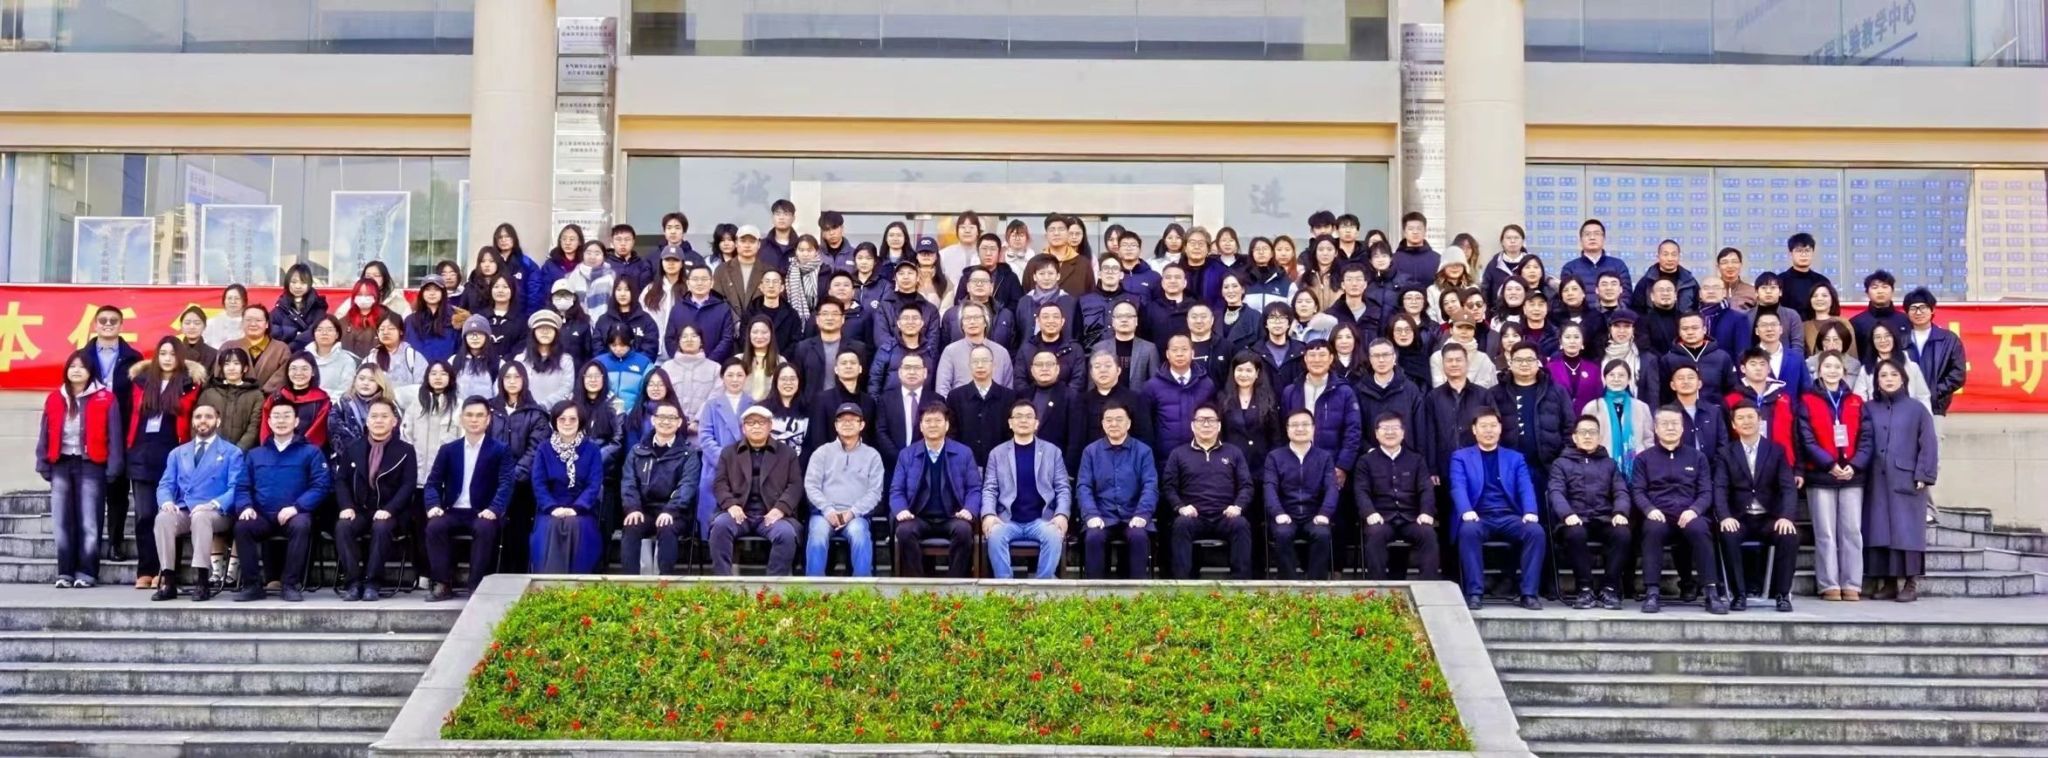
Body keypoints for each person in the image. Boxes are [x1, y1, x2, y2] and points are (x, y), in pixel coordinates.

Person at [1632, 406, 1729, 615]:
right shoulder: (1643, 458)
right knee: (1652, 529)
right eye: (1665, 423)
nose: (1670, 428)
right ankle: (1652, 592)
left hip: (1689, 512)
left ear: (1683, 427)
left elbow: (1706, 491)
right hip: (1659, 513)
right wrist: (1649, 509)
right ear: (1656, 428)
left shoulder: (1697, 457)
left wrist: (1694, 510)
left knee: (1700, 529)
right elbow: (1638, 491)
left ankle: (1711, 592)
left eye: (1675, 423)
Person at [125, 337, 204, 589]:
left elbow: (190, 415)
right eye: (163, 353)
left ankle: (166, 570)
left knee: (170, 514)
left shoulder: (190, 384)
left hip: (173, 453)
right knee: (144, 515)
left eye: (172, 354)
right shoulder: (141, 382)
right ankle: (145, 569)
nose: (167, 358)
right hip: (141, 454)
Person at [37, 354, 122, 588]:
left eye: (82, 367)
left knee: (89, 521)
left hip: (91, 464)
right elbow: (45, 432)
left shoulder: (105, 398)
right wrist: (43, 462)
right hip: (61, 463)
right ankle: (65, 572)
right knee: (62, 521)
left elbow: (115, 434)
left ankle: (87, 572)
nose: (76, 370)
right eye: (72, 366)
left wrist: (114, 466)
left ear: (91, 371)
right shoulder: (55, 398)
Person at [231, 402, 329, 602]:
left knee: (301, 525)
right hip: (262, 515)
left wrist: (297, 507)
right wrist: (246, 506)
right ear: (269, 422)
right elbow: (242, 487)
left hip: (294, 514)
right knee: (242, 527)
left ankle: (290, 584)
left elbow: (321, 486)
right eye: (276, 416)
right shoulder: (255, 454)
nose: (281, 421)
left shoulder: (311, 452)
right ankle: (252, 585)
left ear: (296, 421)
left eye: (286, 416)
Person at [1449, 408, 1545, 611]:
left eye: (1493, 425)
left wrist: (1530, 511)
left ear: (1500, 429)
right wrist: (1466, 510)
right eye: (1483, 426)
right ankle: (1475, 592)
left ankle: (1529, 594)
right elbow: (1458, 486)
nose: (1489, 430)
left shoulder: (1515, 458)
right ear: (1474, 430)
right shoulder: (1461, 457)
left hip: (1509, 516)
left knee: (1535, 532)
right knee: (1468, 531)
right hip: (1479, 516)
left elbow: (1525, 486)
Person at [1862, 361, 1939, 602]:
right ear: (1876, 381)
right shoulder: (1868, 408)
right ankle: (1888, 584)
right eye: (1883, 375)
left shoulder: (1917, 409)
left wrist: (1924, 474)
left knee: (1907, 532)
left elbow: (1928, 443)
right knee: (1880, 531)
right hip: (1875, 479)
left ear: (1903, 378)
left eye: (1894, 374)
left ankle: (1911, 583)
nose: (1888, 379)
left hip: (1907, 479)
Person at [1714, 400, 1800, 613]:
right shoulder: (1725, 453)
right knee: (1727, 534)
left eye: (1750, 417)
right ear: (1733, 424)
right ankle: (1738, 595)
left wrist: (1786, 516)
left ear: (1760, 420)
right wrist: (1724, 516)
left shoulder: (1776, 450)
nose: (1746, 422)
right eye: (1740, 418)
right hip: (1739, 517)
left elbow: (1788, 487)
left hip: (1768, 517)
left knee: (1789, 535)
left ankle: (1781, 595)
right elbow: (1720, 488)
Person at [1799, 351, 1873, 601]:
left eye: (1836, 367)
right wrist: (1829, 464)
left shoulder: (1856, 401)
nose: (1832, 371)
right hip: (1821, 475)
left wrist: (1855, 465)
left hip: (1852, 476)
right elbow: (1806, 438)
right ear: (1819, 371)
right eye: (1827, 366)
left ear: (1844, 371)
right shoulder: (1807, 400)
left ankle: (1852, 583)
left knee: (1852, 531)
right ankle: (1828, 583)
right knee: (1826, 532)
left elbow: (1866, 438)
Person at [422, 398, 512, 600]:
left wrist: (494, 509)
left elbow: (506, 483)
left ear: (488, 420)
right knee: (435, 526)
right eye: (469, 415)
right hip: (453, 510)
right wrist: (433, 505)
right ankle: (442, 583)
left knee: (484, 528)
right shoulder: (449, 450)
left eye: (480, 415)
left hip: (482, 511)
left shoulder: (500, 449)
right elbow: (433, 482)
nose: (474, 420)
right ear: (461, 419)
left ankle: (476, 585)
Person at [149, 403, 240, 601]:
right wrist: (166, 501)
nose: (203, 421)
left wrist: (213, 504)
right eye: (198, 417)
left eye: (208, 416)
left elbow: (236, 488)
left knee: (201, 517)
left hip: (217, 512)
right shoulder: (178, 453)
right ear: (192, 422)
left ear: (218, 421)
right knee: (163, 518)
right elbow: (165, 484)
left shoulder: (232, 452)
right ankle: (169, 581)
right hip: (185, 509)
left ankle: (202, 580)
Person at [331, 398, 416, 600]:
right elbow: (341, 480)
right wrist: (346, 506)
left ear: (394, 422)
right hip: (360, 509)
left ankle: (372, 583)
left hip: (391, 512)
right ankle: (353, 582)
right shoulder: (353, 448)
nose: (379, 420)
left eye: (384, 416)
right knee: (343, 527)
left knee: (381, 527)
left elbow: (408, 485)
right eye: (374, 416)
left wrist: (390, 509)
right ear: (367, 421)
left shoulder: (405, 450)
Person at [980, 400, 1073, 579]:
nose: (1023, 420)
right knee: (994, 535)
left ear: (1036, 423)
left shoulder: (1052, 452)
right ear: (1010, 423)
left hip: (1042, 520)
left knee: (1054, 535)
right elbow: (989, 489)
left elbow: (1063, 488)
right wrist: (989, 514)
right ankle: (1005, 587)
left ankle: (1042, 585)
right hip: (1007, 520)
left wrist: (1062, 514)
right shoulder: (997, 453)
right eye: (1018, 416)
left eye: (1029, 417)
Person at [1549, 415, 1633, 610]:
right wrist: (1567, 514)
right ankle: (1584, 588)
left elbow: (1621, 491)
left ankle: (1609, 588)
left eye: (1592, 432)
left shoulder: (1609, 464)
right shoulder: (1561, 464)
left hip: (1603, 518)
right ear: (1575, 437)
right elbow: (1556, 492)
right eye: (1583, 432)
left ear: (1599, 436)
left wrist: (1620, 512)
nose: (1588, 436)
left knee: (1623, 533)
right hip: (1574, 519)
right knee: (1575, 534)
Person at [888, 403, 981, 577]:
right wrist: (901, 510)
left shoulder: (964, 453)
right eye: (928, 421)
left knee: (964, 530)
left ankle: (956, 584)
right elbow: (896, 490)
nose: (932, 425)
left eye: (938, 421)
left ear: (947, 425)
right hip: (917, 517)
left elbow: (974, 488)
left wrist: (969, 509)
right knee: (904, 531)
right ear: (921, 426)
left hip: (952, 516)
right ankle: (918, 585)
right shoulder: (907, 454)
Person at [1162, 405, 1254, 579]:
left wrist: (1237, 506)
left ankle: (1240, 584)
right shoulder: (1178, 454)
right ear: (1192, 425)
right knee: (1180, 524)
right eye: (1200, 420)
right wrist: (1181, 507)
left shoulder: (1233, 452)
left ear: (1219, 426)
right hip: (1194, 516)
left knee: (1241, 525)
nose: (1206, 424)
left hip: (1225, 515)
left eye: (1211, 420)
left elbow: (1246, 486)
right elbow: (1168, 487)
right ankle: (1183, 585)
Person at [707, 406, 801, 575]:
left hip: (771, 513)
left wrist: (780, 508)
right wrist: (731, 505)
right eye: (750, 423)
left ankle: (773, 586)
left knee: (786, 534)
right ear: (743, 428)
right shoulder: (729, 453)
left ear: (770, 426)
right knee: (720, 526)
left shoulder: (787, 453)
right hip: (739, 513)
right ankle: (723, 583)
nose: (756, 426)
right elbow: (720, 483)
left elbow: (795, 485)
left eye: (761, 422)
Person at [1353, 413, 1441, 581]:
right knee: (1375, 534)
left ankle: (1428, 586)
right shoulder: (1366, 461)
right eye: (1385, 428)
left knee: (1428, 534)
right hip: (1381, 518)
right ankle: (1378, 588)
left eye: (1395, 428)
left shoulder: (1416, 459)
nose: (1390, 432)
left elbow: (1426, 489)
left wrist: (1426, 512)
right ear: (1376, 433)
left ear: (1403, 432)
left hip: (1411, 518)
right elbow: (1361, 490)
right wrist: (1369, 512)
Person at [1076, 402, 1158, 580]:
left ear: (1129, 423)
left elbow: (1150, 486)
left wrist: (1142, 514)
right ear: (1103, 424)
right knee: (1093, 537)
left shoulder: (1143, 451)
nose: (1114, 424)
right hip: (1102, 515)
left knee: (1138, 536)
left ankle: (1138, 592)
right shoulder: (1091, 452)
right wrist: (1091, 515)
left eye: (1119, 419)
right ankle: (1094, 591)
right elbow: (1084, 487)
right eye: (1109, 420)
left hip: (1133, 515)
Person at [799, 403, 883, 577]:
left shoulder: (872, 455)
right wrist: (827, 509)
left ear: (862, 425)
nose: (847, 423)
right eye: (842, 420)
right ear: (835, 425)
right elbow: (811, 486)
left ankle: (862, 589)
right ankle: (813, 588)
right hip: (824, 514)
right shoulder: (822, 453)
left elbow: (875, 492)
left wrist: (853, 512)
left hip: (856, 515)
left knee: (859, 534)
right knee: (817, 536)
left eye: (852, 420)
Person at [1259, 408, 1337, 580]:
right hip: (1286, 514)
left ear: (1313, 428)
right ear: (1287, 429)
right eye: (1294, 425)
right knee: (1282, 534)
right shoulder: (1275, 457)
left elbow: (1332, 487)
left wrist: (1325, 513)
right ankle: (1289, 584)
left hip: (1314, 515)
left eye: (1305, 424)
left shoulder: (1324, 457)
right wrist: (1278, 513)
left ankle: (1316, 585)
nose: (1300, 428)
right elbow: (1269, 487)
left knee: (1322, 534)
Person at [527, 402, 604, 574]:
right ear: (554, 421)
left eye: (572, 419)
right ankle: (549, 583)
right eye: (562, 419)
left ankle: (576, 583)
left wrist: (576, 508)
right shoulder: (544, 449)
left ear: (580, 421)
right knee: (552, 526)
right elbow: (539, 483)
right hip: (550, 509)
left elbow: (594, 484)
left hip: (582, 510)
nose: (567, 423)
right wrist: (552, 507)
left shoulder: (592, 449)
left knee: (575, 525)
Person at [1488, 343, 1573, 493]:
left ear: (1538, 362)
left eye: (1529, 359)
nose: (1524, 364)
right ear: (1510, 363)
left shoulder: (1556, 391)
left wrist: (1562, 460)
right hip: (1509, 468)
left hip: (1549, 467)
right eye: (1519, 360)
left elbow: (1570, 427)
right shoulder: (1496, 394)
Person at [1903, 288, 1967, 436]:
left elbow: (1958, 374)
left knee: (1933, 446)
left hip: (1935, 406)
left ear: (1932, 310)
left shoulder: (1948, 339)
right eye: (1913, 308)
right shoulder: (1900, 340)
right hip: (1905, 407)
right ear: (1907, 313)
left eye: (1923, 307)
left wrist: (1932, 393)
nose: (1918, 312)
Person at [944, 345, 1017, 466]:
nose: (980, 365)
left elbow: (1012, 433)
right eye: (975, 362)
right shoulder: (955, 396)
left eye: (985, 361)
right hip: (965, 463)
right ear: (969, 366)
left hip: (1000, 463)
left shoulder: (1009, 397)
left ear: (993, 365)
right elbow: (951, 433)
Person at [934, 302, 1013, 397]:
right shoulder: (950, 351)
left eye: (977, 317)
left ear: (985, 322)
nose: (972, 322)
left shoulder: (1001, 353)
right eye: (967, 318)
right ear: (962, 324)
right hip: (959, 405)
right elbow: (942, 389)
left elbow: (1008, 389)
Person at [198, 348, 264, 449]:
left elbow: (254, 428)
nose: (231, 368)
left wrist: (237, 451)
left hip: (242, 453)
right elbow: (199, 423)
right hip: (210, 451)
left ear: (245, 368)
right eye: (227, 364)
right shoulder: (208, 394)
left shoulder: (256, 395)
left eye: (236, 364)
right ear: (221, 368)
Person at [269, 264, 330, 351]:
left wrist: (290, 347)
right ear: (287, 282)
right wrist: (293, 332)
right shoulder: (280, 307)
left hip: (310, 354)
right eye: (294, 282)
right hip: (283, 354)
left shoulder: (318, 306)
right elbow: (270, 329)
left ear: (309, 284)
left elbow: (315, 331)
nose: (298, 286)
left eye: (303, 282)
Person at [1630, 239, 1700, 314]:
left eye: (1674, 255)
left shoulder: (1689, 282)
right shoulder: (1646, 281)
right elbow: (1637, 310)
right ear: (1658, 256)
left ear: (1679, 256)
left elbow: (1698, 308)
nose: (1670, 259)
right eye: (1665, 254)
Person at [1559, 219, 1631, 291]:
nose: (1592, 238)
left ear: (1604, 239)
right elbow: (1566, 295)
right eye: (1587, 234)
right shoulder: (1570, 268)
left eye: (1597, 234)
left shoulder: (1618, 265)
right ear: (1581, 241)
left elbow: (1626, 294)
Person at [1778, 232, 1833, 321]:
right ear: (1790, 254)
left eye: (1807, 250)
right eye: (1799, 251)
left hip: (1816, 327)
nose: (1803, 255)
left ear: (1813, 253)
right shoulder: (1780, 280)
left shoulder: (1822, 281)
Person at [173, 305, 218, 371]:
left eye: (197, 323)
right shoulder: (174, 352)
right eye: (187, 323)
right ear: (181, 326)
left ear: (204, 326)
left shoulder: (214, 354)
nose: (192, 327)